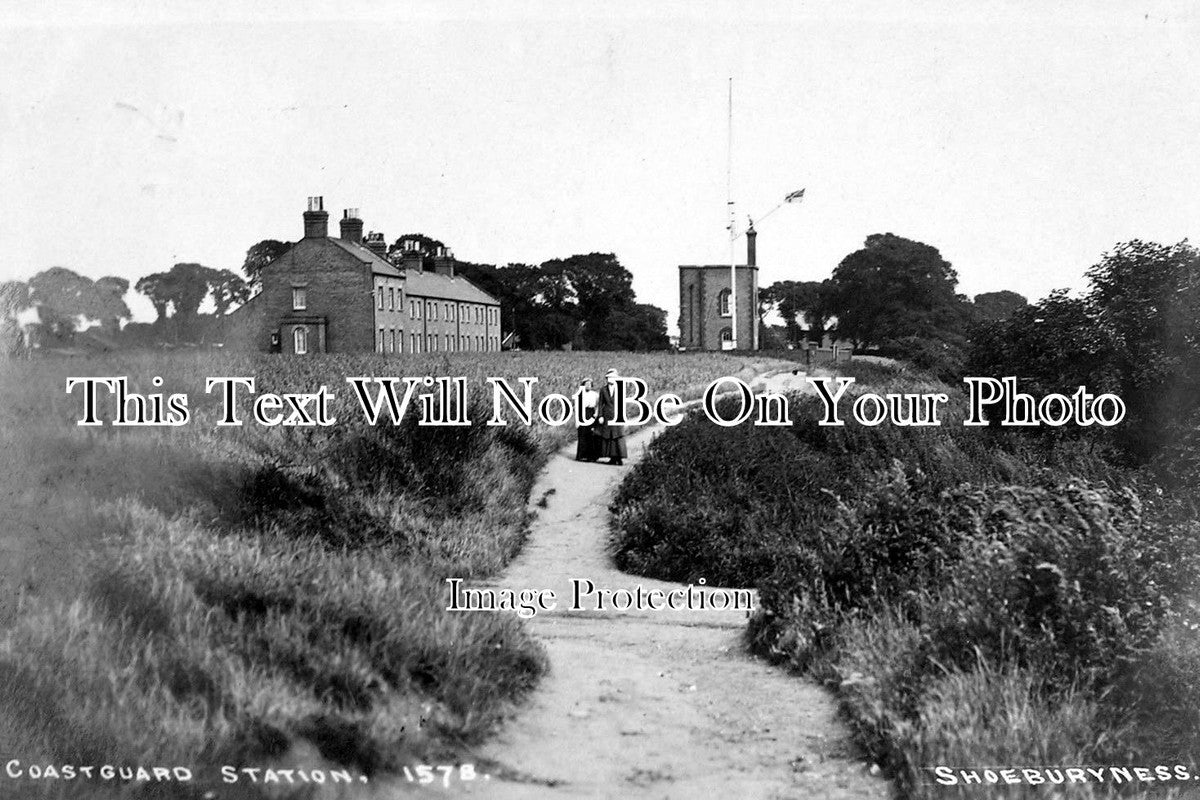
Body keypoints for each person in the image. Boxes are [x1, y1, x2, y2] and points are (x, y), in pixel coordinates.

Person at [596, 368, 627, 466]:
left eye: (613, 377)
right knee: (609, 436)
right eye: (609, 378)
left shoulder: (620, 388)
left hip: (617, 415)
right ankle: (612, 458)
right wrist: (600, 416)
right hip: (607, 415)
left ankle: (619, 458)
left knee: (618, 436)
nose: (611, 379)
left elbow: (623, 403)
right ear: (606, 379)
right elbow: (600, 403)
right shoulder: (603, 389)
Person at [575, 377, 600, 462]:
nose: (588, 386)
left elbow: (598, 405)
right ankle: (581, 455)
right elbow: (577, 408)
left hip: (591, 414)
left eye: (589, 384)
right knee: (582, 435)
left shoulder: (595, 394)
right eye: (586, 384)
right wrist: (577, 421)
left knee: (591, 435)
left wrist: (596, 414)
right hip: (582, 414)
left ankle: (591, 456)